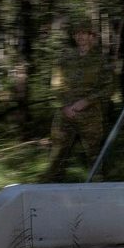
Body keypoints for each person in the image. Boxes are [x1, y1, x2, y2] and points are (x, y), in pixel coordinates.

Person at [44, 18, 109, 182]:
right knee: (56, 157)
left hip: (91, 116)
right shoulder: (65, 57)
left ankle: (97, 195)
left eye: (84, 33)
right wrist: (65, 106)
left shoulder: (100, 60)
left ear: (91, 36)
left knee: (95, 159)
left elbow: (108, 88)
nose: (80, 37)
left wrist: (86, 101)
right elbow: (56, 84)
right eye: (77, 33)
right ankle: (51, 193)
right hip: (65, 115)